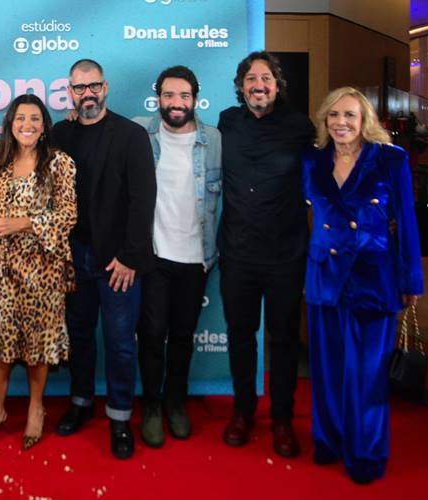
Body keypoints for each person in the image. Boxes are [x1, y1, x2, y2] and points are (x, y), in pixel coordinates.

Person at [302, 87, 423, 484]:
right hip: (325, 277)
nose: (341, 123)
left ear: (365, 119)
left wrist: (410, 278)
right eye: (334, 115)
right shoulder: (312, 160)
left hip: (374, 278)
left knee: (368, 375)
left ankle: (366, 454)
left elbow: (406, 220)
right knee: (328, 370)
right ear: (324, 119)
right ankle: (330, 441)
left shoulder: (390, 159)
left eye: (350, 115)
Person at [52, 59, 156, 460]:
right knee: (79, 336)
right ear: (70, 92)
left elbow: (143, 200)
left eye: (93, 86)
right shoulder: (59, 134)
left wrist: (130, 257)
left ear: (106, 87)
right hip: (73, 257)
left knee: (120, 342)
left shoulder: (131, 135)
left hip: (118, 261)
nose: (88, 94)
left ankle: (119, 416)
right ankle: (80, 402)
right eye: (79, 88)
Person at [217, 51, 314, 458]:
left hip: (285, 255)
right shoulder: (227, 122)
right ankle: (243, 412)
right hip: (237, 253)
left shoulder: (300, 127)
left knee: (285, 339)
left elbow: (327, 172)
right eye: (251, 79)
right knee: (240, 336)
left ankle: (282, 419)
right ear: (241, 87)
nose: (259, 85)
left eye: (267, 78)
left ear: (277, 85)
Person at [0, 94, 77, 451]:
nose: (27, 124)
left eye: (34, 118)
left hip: (43, 270)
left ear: (44, 125)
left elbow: (69, 215)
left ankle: (36, 407)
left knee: (38, 344)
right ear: (10, 124)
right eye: (20, 118)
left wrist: (25, 223)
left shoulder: (59, 163)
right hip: (2, 270)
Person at [137, 65, 221, 448]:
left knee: (183, 337)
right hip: (155, 255)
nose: (176, 102)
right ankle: (152, 406)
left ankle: (175, 402)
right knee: (152, 335)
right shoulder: (141, 132)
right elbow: (100, 125)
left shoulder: (214, 140)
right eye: (169, 95)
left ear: (194, 99)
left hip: (197, 258)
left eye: (184, 96)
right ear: (158, 98)